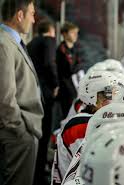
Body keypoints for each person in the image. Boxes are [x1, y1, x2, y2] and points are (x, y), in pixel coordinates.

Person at [0, 1, 44, 185]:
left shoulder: (11, 41)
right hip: (17, 134)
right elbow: (4, 97)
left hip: (23, 131)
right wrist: (20, 131)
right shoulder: (3, 44)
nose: (34, 20)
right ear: (19, 15)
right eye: (31, 14)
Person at [51, 70, 119, 184]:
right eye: (109, 94)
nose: (114, 99)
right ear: (95, 98)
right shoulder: (83, 126)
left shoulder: (92, 119)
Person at [27, 20, 58, 185]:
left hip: (33, 92)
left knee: (37, 134)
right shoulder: (49, 41)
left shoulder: (31, 43)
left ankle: (35, 170)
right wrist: (55, 84)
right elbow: (49, 63)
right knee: (45, 133)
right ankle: (40, 174)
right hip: (46, 93)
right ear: (51, 30)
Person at [56, 21, 81, 118]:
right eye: (72, 32)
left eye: (76, 33)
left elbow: (79, 66)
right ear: (64, 34)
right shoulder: (61, 49)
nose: (75, 35)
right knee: (67, 116)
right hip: (66, 89)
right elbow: (70, 69)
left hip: (75, 87)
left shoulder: (75, 49)